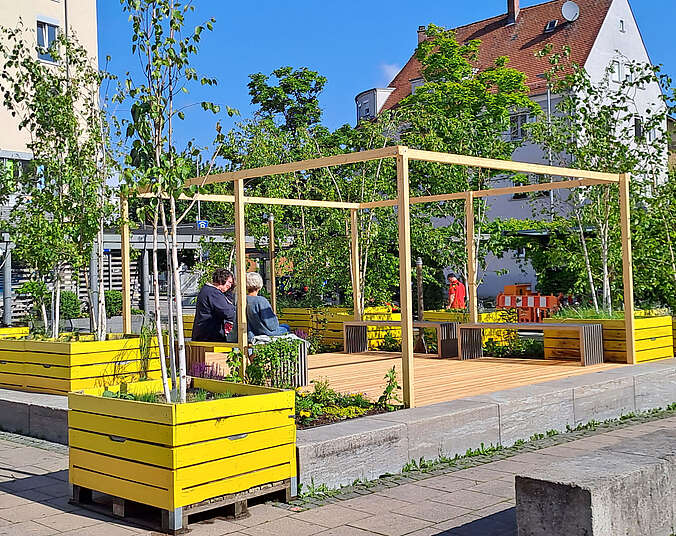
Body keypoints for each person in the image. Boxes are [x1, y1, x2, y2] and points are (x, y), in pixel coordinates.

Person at [191, 268, 237, 342]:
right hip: (210, 336)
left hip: (202, 334)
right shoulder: (213, 293)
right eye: (229, 282)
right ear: (222, 279)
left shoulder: (207, 290)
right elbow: (228, 312)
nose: (230, 285)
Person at [246, 272, 289, 339]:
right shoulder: (261, 301)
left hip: (250, 333)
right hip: (264, 333)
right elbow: (272, 326)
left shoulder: (242, 300)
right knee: (286, 327)